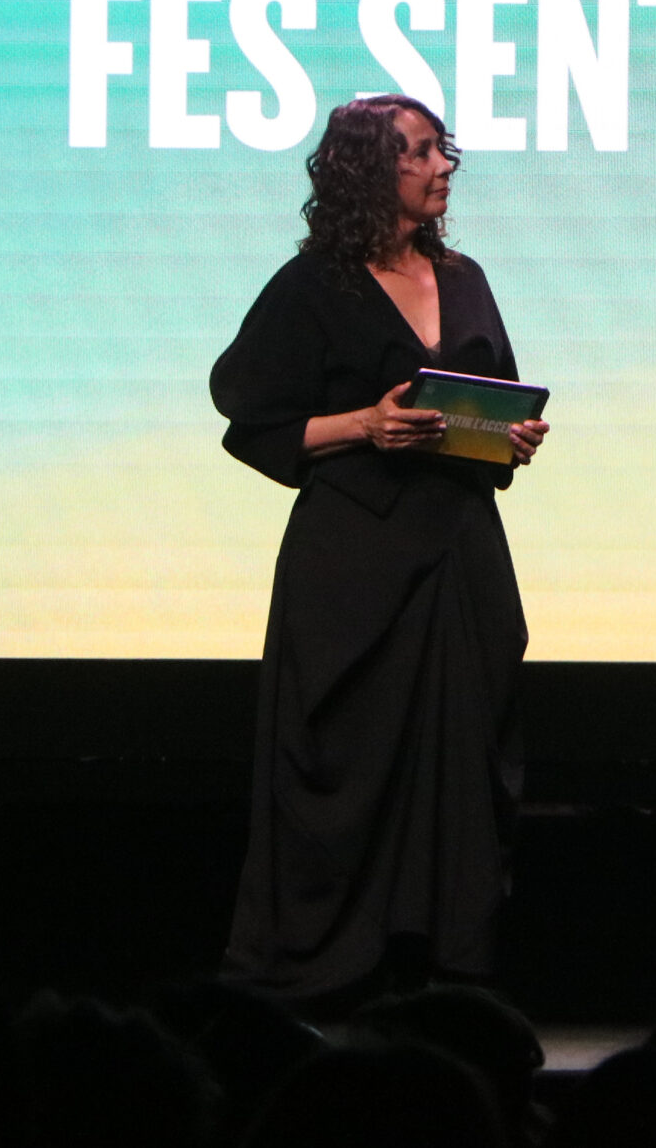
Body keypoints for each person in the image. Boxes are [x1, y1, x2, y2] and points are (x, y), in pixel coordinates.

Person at [212, 95, 551, 1008]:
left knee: (468, 752)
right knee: (345, 757)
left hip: (458, 551)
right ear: (371, 170)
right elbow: (251, 419)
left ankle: (446, 965)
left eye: (444, 150)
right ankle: (320, 971)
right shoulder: (313, 286)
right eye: (423, 152)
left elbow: (491, 394)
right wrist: (364, 424)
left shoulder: (465, 277)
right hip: (354, 560)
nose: (444, 167)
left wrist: (509, 436)